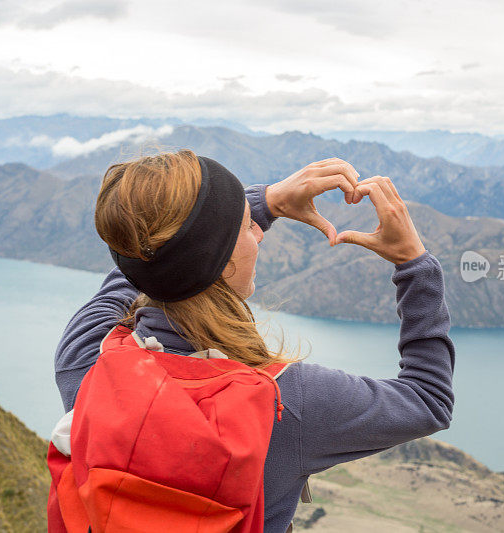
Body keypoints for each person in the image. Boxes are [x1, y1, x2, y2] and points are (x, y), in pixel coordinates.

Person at [53, 149, 455, 532]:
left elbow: (141, 262)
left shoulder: (88, 361)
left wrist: (263, 202)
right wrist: (414, 263)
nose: (260, 232)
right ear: (222, 262)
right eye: (247, 224)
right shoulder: (284, 402)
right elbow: (429, 398)